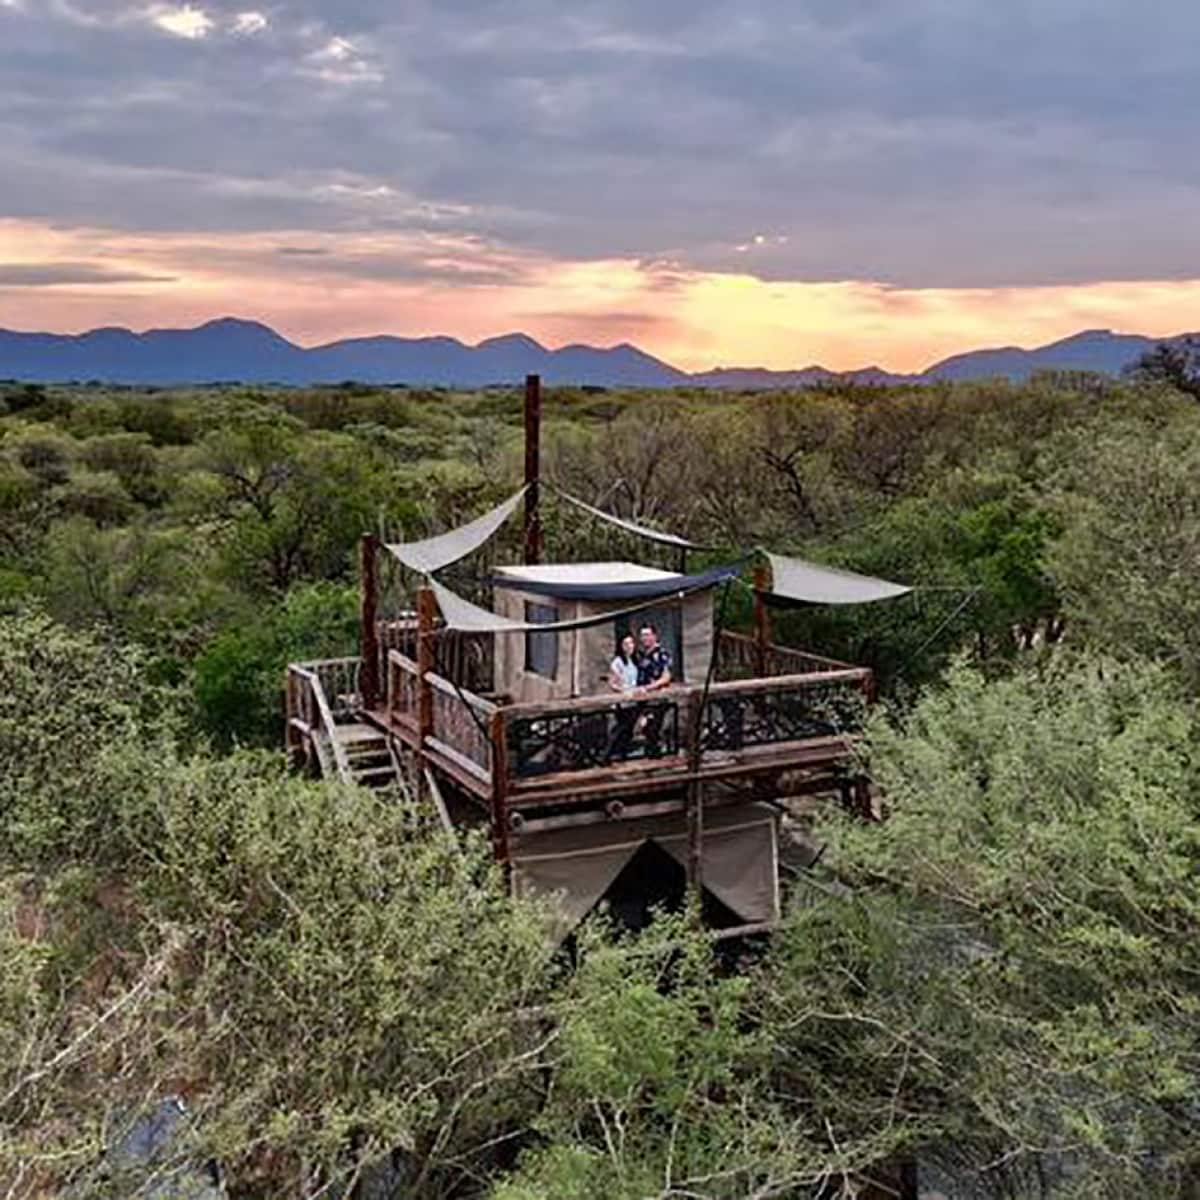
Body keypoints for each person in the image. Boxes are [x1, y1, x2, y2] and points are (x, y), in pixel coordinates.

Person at [635, 623, 673, 755]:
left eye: (647, 635)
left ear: (654, 636)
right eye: (642, 635)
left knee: (653, 728)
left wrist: (649, 687)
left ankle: (655, 756)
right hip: (643, 699)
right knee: (645, 728)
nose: (644, 638)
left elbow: (666, 677)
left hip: (656, 699)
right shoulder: (642, 655)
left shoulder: (661, 654)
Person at [608, 632, 640, 761]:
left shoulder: (635, 660)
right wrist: (623, 691)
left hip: (634, 700)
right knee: (621, 728)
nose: (629, 646)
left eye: (631, 643)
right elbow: (612, 683)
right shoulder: (618, 662)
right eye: (626, 644)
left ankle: (623, 754)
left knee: (629, 730)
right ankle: (610, 754)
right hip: (622, 701)